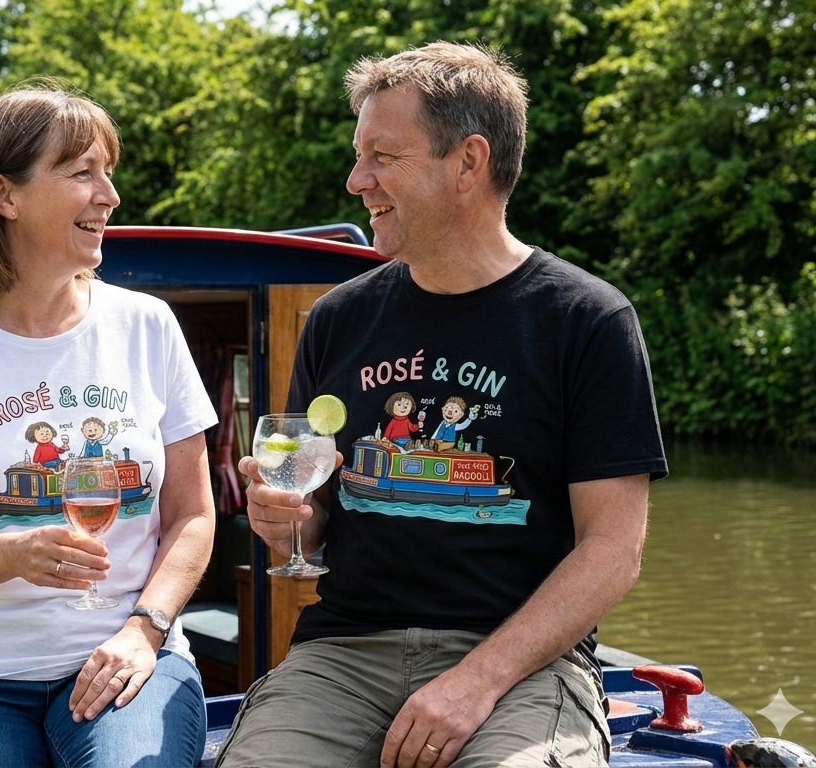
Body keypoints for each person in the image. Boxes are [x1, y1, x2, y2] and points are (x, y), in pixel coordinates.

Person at [218, 42, 667, 767]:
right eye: (359, 156)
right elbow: (321, 519)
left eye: (382, 157)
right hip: (344, 657)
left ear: (468, 162)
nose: (355, 179)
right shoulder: (336, 318)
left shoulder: (587, 319)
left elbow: (614, 551)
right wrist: (292, 520)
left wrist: (477, 680)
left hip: (523, 665)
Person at [0, 86, 217, 767]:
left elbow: (193, 517)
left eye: (107, 172)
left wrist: (146, 629)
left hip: (130, 655)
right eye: (83, 172)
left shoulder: (148, 327)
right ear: (6, 195)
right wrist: (12, 554)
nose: (108, 194)